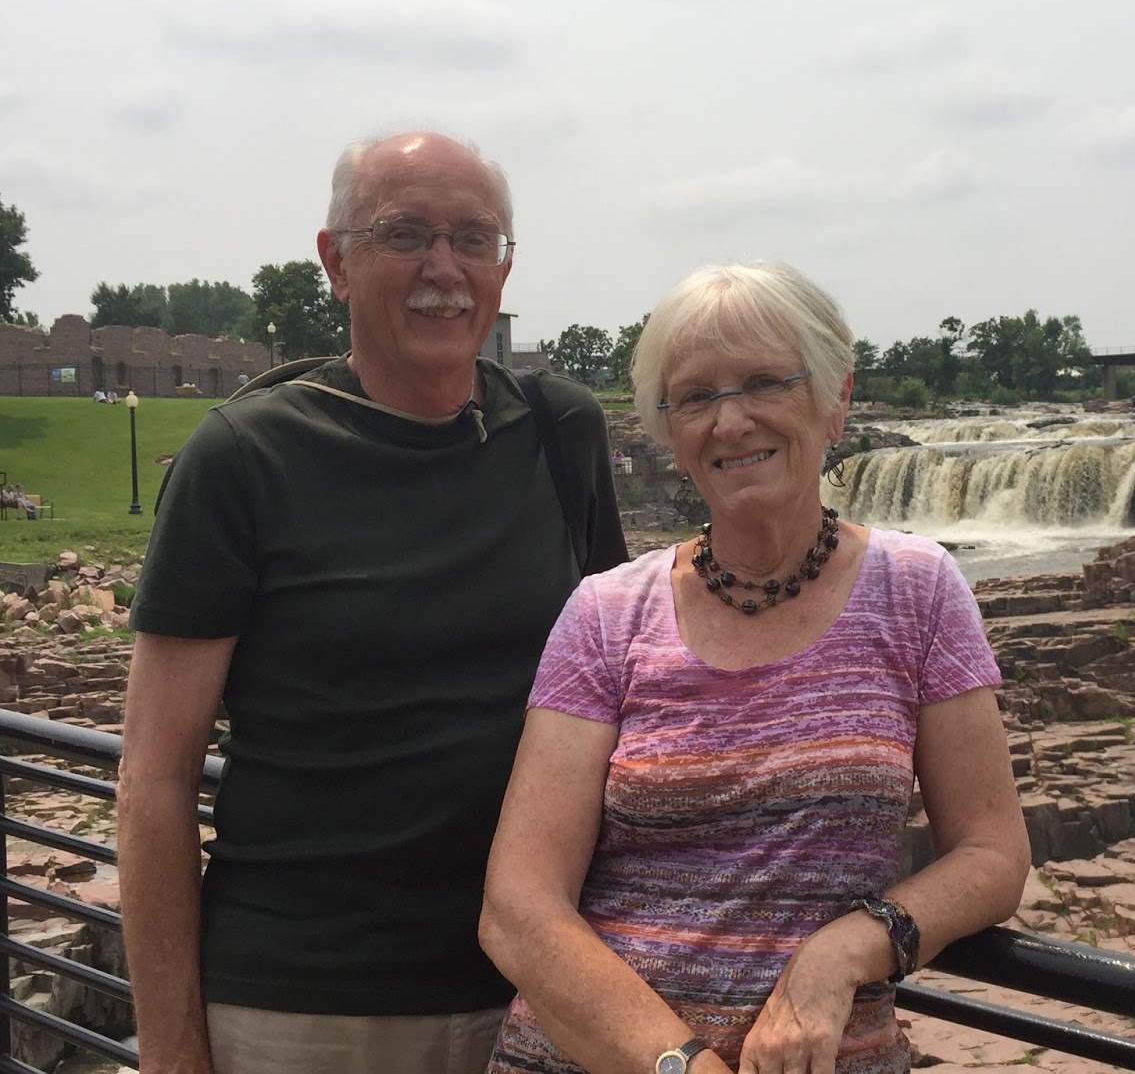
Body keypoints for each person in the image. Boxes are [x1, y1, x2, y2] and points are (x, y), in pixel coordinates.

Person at [118, 131, 628, 1074]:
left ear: (504, 263)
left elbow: (624, 698)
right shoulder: (243, 458)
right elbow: (155, 777)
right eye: (405, 234)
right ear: (336, 262)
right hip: (307, 1007)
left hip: (542, 988)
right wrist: (173, 1050)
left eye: (474, 238)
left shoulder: (560, 433)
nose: (445, 268)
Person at [480, 261, 1030, 1074]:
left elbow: (992, 855)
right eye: (696, 397)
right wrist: (683, 1064)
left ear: (835, 399)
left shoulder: (918, 591)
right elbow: (517, 909)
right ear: (671, 433)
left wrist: (848, 947)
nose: (731, 421)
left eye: (766, 382)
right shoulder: (605, 613)